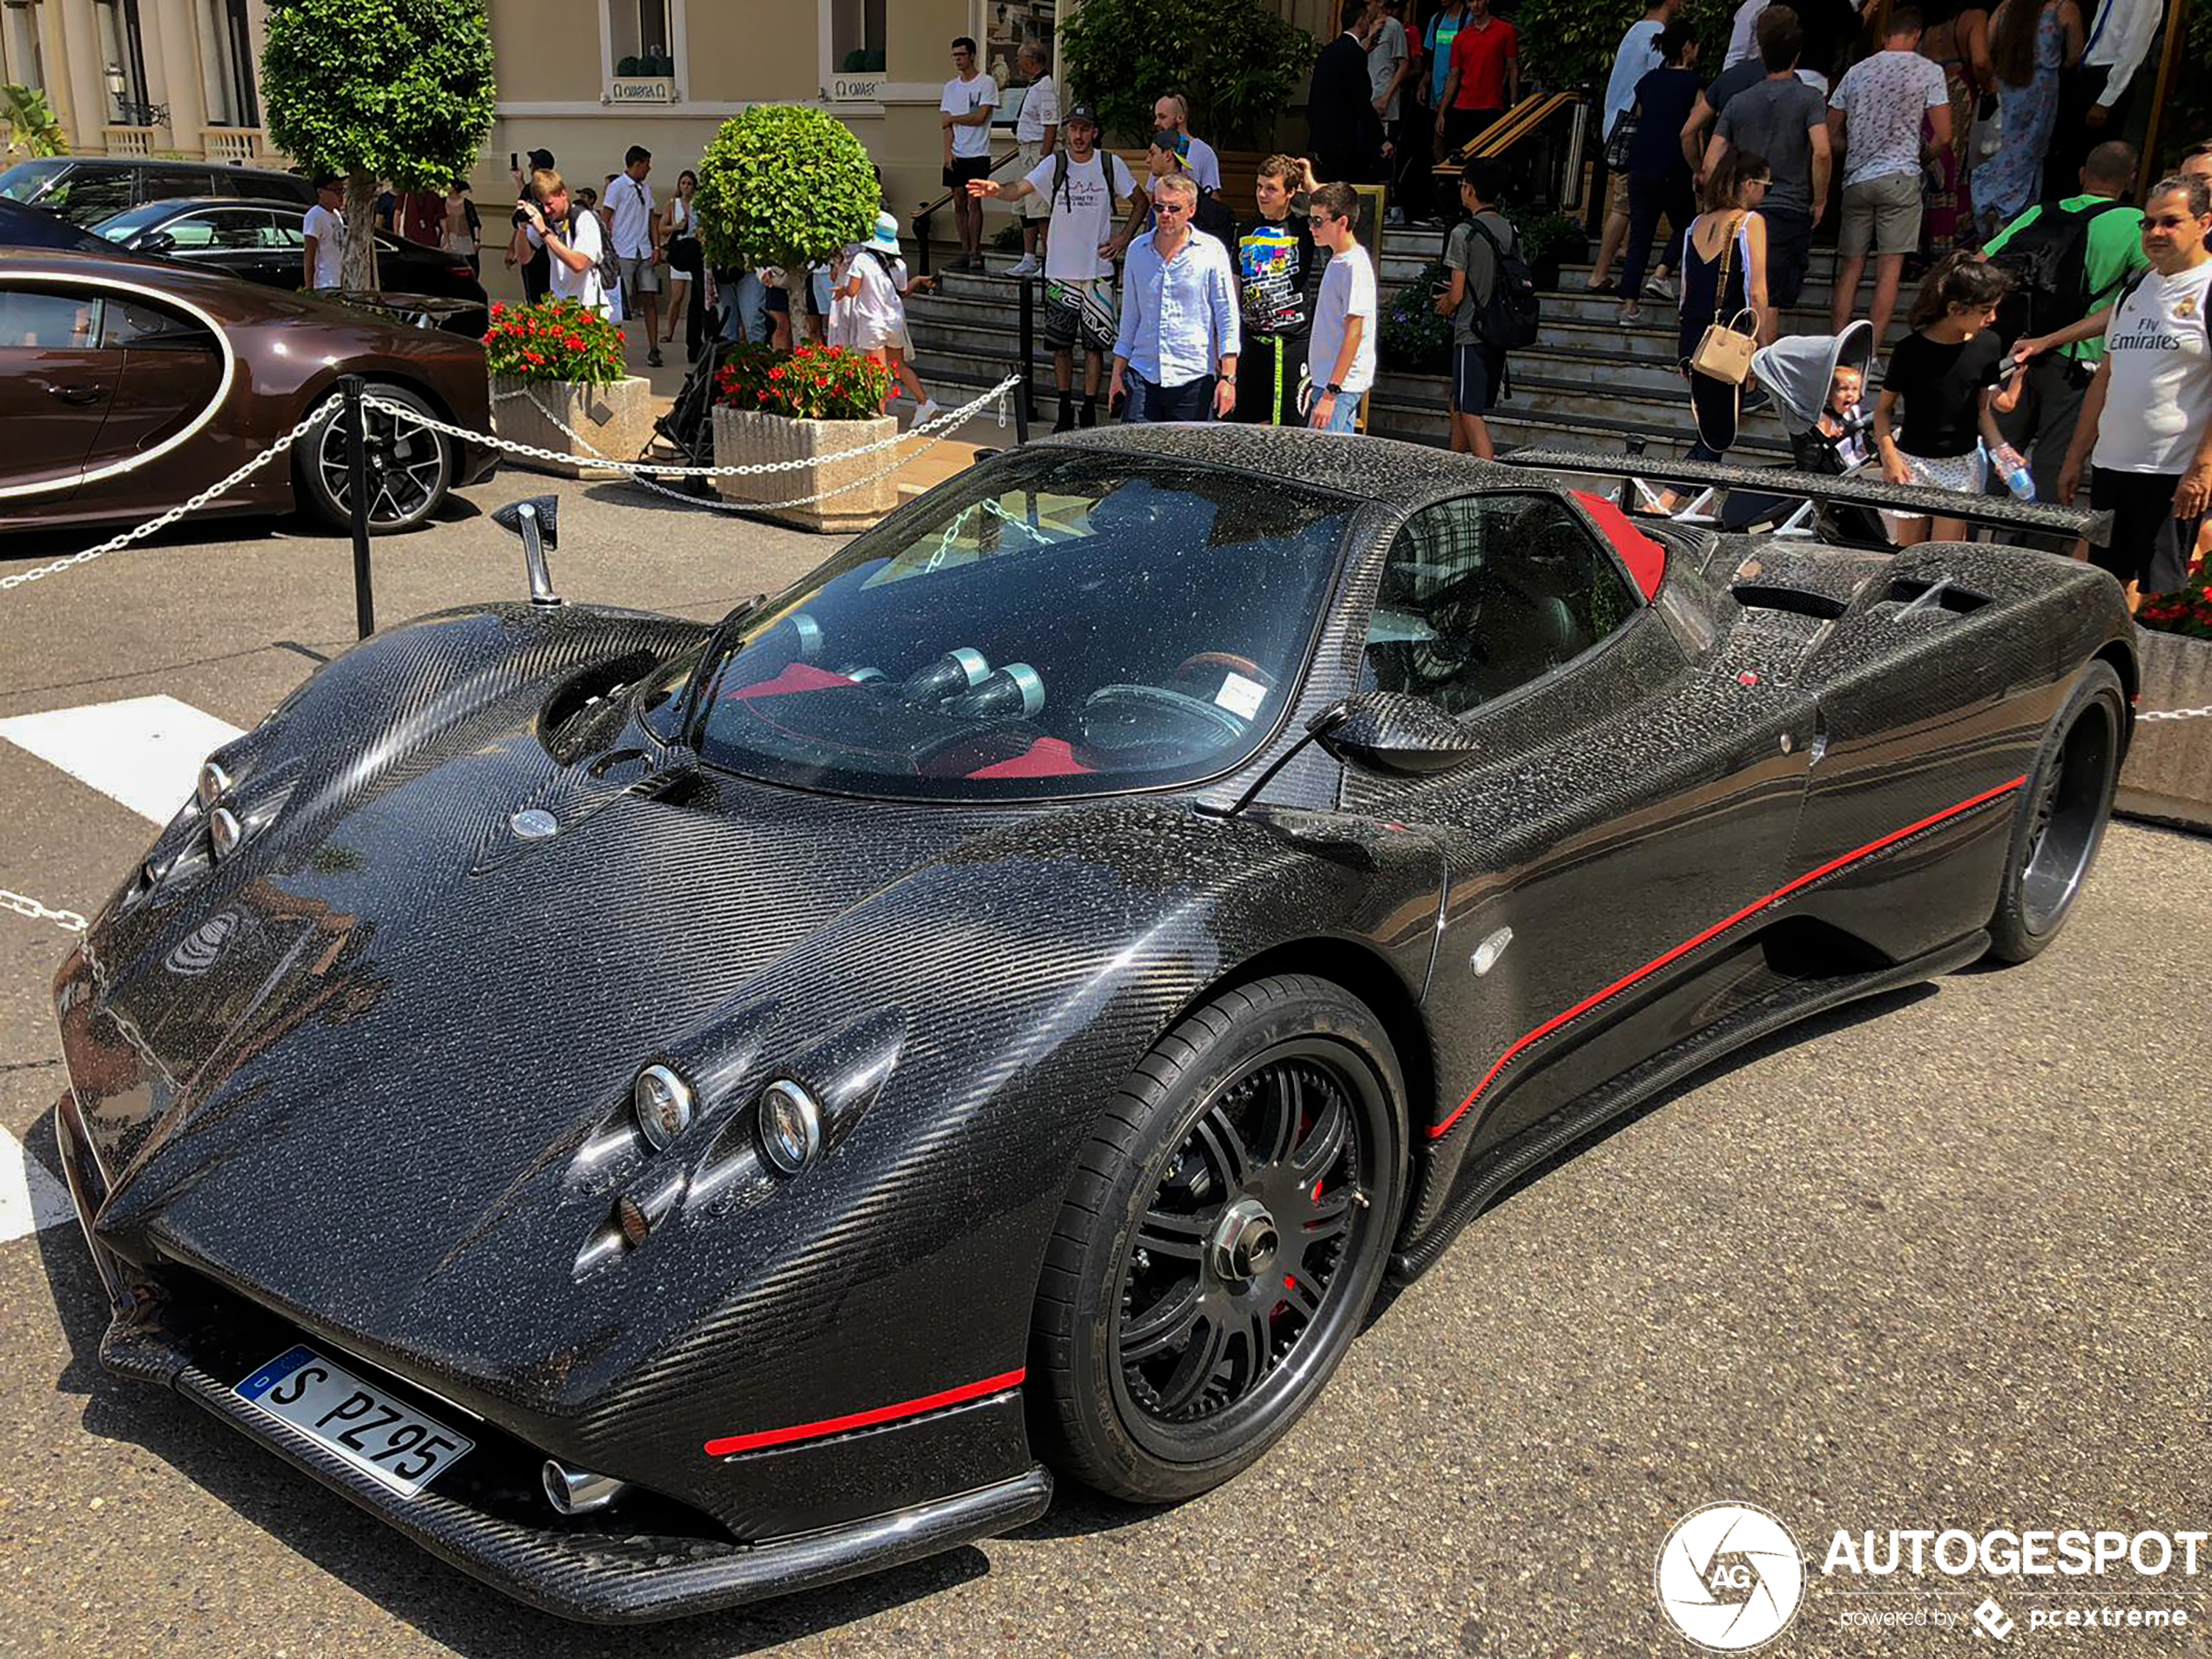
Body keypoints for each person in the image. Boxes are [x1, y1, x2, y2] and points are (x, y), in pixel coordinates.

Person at [2059, 175, 2212, 607]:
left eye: (2170, 222)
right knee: (2108, 583)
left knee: (2161, 595)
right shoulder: (2134, 291)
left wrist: (2203, 465)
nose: (2156, 233)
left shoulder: (2207, 288)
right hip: (2113, 463)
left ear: (2204, 223)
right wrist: (2076, 456)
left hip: (2172, 469)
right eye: (2148, 224)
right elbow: (2105, 379)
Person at [1986, 140, 2142, 501]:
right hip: (2075, 362)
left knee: (2000, 454)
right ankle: (2036, 550)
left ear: (2083, 175)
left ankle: (1972, 539)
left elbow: (1982, 262)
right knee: (2055, 466)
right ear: (2130, 180)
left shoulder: (2040, 212)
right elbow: (2139, 300)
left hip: (2016, 356)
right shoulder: (2134, 224)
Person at [970, 102, 1136, 430]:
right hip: (1060, 272)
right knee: (1060, 346)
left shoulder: (1109, 164)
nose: (1078, 135)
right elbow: (1021, 187)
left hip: (1097, 272)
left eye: (1084, 129)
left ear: (1094, 132)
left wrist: (1123, 238)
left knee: (1094, 346)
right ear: (1066, 132)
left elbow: (1140, 200)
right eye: (1073, 128)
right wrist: (997, 191)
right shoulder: (1054, 164)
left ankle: (1088, 409)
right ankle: (1063, 409)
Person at [1873, 251, 2026, 543]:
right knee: (1909, 553)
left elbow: (1982, 410)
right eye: (1985, 310)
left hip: (1961, 461)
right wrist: (1889, 455)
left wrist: (2002, 451)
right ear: (1955, 308)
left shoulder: (1988, 345)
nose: (1992, 318)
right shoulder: (1909, 351)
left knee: (1947, 552)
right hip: (1911, 461)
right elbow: (1883, 411)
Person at [1829, 9, 1952, 352]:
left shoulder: (1856, 72)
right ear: (1916, 35)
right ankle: (1871, 353)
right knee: (1889, 271)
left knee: (1851, 269)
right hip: (1901, 177)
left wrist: (1854, 149)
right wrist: (1920, 157)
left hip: (1856, 179)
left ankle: (1836, 349)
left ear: (1884, 37)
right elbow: (1944, 135)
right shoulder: (1928, 71)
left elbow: (1831, 132)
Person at [1704, 6, 1830, 340]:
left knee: (1738, 292)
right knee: (1769, 296)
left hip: (1741, 210)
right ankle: (1761, 373)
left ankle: (1736, 370)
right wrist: (1820, 200)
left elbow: (1710, 160)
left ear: (1761, 50)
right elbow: (1821, 151)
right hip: (1788, 205)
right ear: (1797, 54)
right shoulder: (1810, 98)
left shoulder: (1739, 102)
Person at [1110, 173, 1239, 423]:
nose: (1165, 214)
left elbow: (1227, 318)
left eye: (1174, 208)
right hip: (1143, 375)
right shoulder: (1138, 250)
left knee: (1186, 461)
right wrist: (1118, 374)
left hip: (1192, 376)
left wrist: (1228, 378)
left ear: (1191, 210)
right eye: (1159, 207)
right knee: (1138, 459)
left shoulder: (1211, 251)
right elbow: (1130, 318)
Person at [1677, 148, 1770, 464]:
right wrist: (1762, 348)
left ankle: (1691, 499)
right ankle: (1669, 497)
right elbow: (1757, 292)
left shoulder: (1696, 224)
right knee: (1716, 434)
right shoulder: (1749, 223)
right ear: (1747, 184)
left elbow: (1687, 288)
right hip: (1726, 338)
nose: (1764, 193)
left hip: (1693, 336)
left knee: (1709, 425)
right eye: (1764, 186)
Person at [1590, 0, 1678, 300]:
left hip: (1616, 120)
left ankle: (1623, 252)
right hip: (1632, 126)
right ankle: (1599, 272)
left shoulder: (1636, 30)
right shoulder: (1656, 34)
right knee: (1623, 203)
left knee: (1629, 199)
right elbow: (1659, 82)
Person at [1232, 154, 1328, 427]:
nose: (1262, 194)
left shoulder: (1304, 228)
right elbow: (1234, 284)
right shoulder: (1245, 228)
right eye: (1259, 186)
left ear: (1290, 192)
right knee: (1245, 426)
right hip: (1251, 343)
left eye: (1271, 188)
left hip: (1292, 344)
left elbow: (1335, 211)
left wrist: (1309, 182)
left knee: (1290, 428)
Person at [1978, 0, 2084, 233]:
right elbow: (2076, 54)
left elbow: (1986, 44)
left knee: (2001, 150)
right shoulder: (2063, 8)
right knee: (2029, 155)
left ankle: (1988, 205)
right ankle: (2014, 217)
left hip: (2007, 85)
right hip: (2041, 90)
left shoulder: (2006, 8)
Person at [1620, 24, 1703, 321]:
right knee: (1688, 224)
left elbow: (1640, 114)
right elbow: (1694, 130)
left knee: (1640, 234)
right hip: (1673, 165)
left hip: (1640, 165)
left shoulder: (1649, 80)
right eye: (1695, 44)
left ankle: (1629, 304)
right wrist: (1698, 168)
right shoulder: (1693, 84)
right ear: (1686, 48)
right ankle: (1662, 272)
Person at [1437, 158, 1517, 457]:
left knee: (1469, 411)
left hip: (1471, 330)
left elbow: (1457, 295)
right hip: (1498, 326)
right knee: (1459, 403)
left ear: (1469, 190)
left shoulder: (1464, 233)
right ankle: (1455, 465)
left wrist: (1444, 304)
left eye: (1462, 185)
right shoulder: (1509, 229)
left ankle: (1487, 472)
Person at [2045, 0, 2161, 198]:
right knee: (2068, 155)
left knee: (2093, 158)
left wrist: (2106, 99)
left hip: (2109, 75)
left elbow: (2133, 48)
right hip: (2088, 70)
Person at [841, 212, 941, 423]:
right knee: (898, 365)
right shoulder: (900, 265)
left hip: (872, 322)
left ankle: (878, 418)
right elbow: (902, 292)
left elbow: (852, 291)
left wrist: (842, 289)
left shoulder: (862, 260)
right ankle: (924, 401)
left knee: (876, 371)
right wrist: (918, 281)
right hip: (894, 321)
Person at [1917, 2, 1993, 251]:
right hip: (1958, 92)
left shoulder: (1927, 26)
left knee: (1929, 164)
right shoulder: (1974, 16)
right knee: (1955, 166)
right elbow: (1980, 60)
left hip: (1926, 96)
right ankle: (1946, 241)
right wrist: (1990, 87)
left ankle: (1918, 245)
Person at [1305, 180, 1377, 433]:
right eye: (1310, 220)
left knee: (1324, 466)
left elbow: (1354, 332)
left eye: (1318, 222)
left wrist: (1331, 392)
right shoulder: (1339, 258)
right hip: (1329, 384)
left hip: (1338, 388)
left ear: (1342, 222)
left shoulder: (1353, 265)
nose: (1312, 228)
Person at [1310, 3, 1391, 185]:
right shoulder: (1355, 54)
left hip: (1322, 137)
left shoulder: (1327, 51)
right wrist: (1381, 139)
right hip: (1343, 140)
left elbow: (1314, 97)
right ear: (1362, 22)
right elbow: (1361, 101)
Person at [941, 36, 999, 272]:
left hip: (978, 153)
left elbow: (980, 117)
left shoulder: (986, 83)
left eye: (962, 55)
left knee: (975, 202)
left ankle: (975, 251)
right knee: (958, 202)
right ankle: (964, 250)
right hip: (957, 153)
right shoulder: (950, 87)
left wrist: (954, 118)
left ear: (972, 55)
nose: (958, 59)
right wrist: (947, 153)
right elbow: (946, 125)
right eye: (955, 55)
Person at [518, 167, 609, 318]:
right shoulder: (547, 221)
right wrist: (521, 227)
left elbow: (578, 264)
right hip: (558, 307)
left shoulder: (584, 219)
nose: (547, 211)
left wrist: (544, 233)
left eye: (550, 204)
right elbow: (524, 258)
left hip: (586, 308)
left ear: (563, 195)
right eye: (543, 206)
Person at [1434, 0, 1520, 158]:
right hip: (1463, 106)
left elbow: (1512, 68)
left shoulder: (1505, 31)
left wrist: (1514, 106)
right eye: (1471, 1)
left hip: (1491, 106)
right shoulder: (1461, 38)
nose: (1475, 5)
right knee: (1459, 157)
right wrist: (1442, 112)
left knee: (1487, 158)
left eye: (1479, 0)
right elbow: (1454, 75)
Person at [1007, 41, 1059, 277]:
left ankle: (1049, 261)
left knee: (1040, 209)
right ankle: (1029, 258)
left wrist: (1044, 160)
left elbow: (1051, 125)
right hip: (1025, 151)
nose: (1017, 62)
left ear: (1031, 60)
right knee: (1024, 207)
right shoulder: (1034, 85)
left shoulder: (1045, 88)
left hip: (1036, 152)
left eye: (1020, 58)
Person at [607, 145, 661, 367]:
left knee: (650, 298)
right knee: (620, 301)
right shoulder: (617, 187)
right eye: (646, 164)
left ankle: (654, 348)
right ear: (637, 164)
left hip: (644, 249)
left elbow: (651, 218)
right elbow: (606, 216)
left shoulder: (646, 188)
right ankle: (612, 350)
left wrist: (656, 246)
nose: (649, 169)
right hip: (624, 250)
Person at [1369, 0, 1415, 219]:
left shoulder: (1394, 27)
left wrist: (1387, 96)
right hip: (1364, 101)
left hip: (1384, 100)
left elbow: (1404, 64)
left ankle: (1385, 208)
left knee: (1384, 156)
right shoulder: (1362, 27)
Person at [659, 169, 704, 359]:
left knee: (698, 296)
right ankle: (670, 330)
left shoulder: (699, 205)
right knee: (676, 296)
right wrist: (676, 227)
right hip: (680, 251)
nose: (685, 187)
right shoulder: (673, 204)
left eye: (689, 184)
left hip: (696, 252)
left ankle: (695, 335)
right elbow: (662, 228)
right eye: (683, 183)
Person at [506, 147, 556, 303]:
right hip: (551, 249)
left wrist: (512, 248)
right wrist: (519, 180)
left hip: (533, 249)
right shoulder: (554, 188)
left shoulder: (533, 189)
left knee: (534, 296)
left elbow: (521, 219)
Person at [1151, 94, 1222, 195]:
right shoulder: (1159, 148)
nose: (1156, 122)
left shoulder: (1204, 152)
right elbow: (1153, 192)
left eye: (1162, 117)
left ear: (1180, 118)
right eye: (1156, 117)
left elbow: (1213, 197)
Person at [302, 175, 346, 291]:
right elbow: (309, 253)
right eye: (336, 191)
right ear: (320, 192)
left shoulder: (337, 215)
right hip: (324, 284)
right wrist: (309, 287)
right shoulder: (315, 215)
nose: (340, 195)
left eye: (342, 191)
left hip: (339, 281)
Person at [442, 180, 481, 275]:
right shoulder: (442, 202)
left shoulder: (466, 204)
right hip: (449, 241)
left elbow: (475, 223)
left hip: (464, 240)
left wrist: (477, 240)